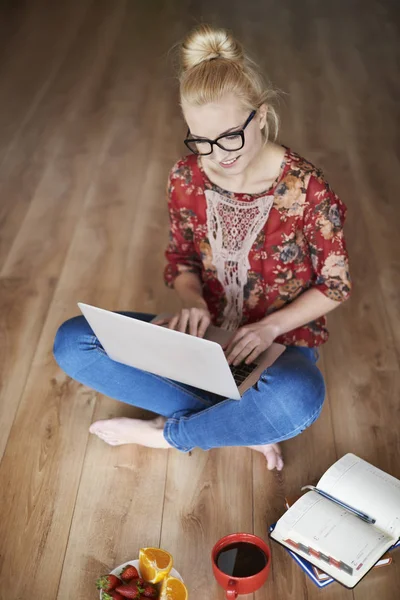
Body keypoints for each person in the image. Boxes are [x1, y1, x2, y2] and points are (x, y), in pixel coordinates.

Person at [53, 24, 351, 471]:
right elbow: (181, 260)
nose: (219, 154)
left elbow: (336, 285)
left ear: (263, 116)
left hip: (278, 348)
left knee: (296, 400)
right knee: (73, 342)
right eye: (202, 142)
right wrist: (192, 302)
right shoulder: (186, 176)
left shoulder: (307, 189)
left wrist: (269, 328)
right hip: (202, 341)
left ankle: (170, 435)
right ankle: (238, 424)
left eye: (231, 136)